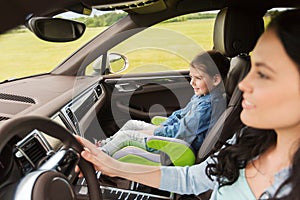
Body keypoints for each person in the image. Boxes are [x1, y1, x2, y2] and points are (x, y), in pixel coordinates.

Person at [76, 9, 300, 199]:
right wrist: (111, 165)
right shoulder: (249, 139)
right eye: (252, 70)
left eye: (264, 74)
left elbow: (185, 134)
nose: (244, 85)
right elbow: (193, 179)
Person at [97, 50, 230, 156]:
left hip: (176, 148)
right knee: (131, 124)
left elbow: (182, 134)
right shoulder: (203, 97)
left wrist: (152, 133)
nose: (192, 83)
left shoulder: (207, 106)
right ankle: (104, 144)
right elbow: (180, 115)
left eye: (198, 78)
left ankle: (99, 156)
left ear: (216, 80)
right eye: (191, 77)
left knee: (125, 136)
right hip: (174, 138)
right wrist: (159, 128)